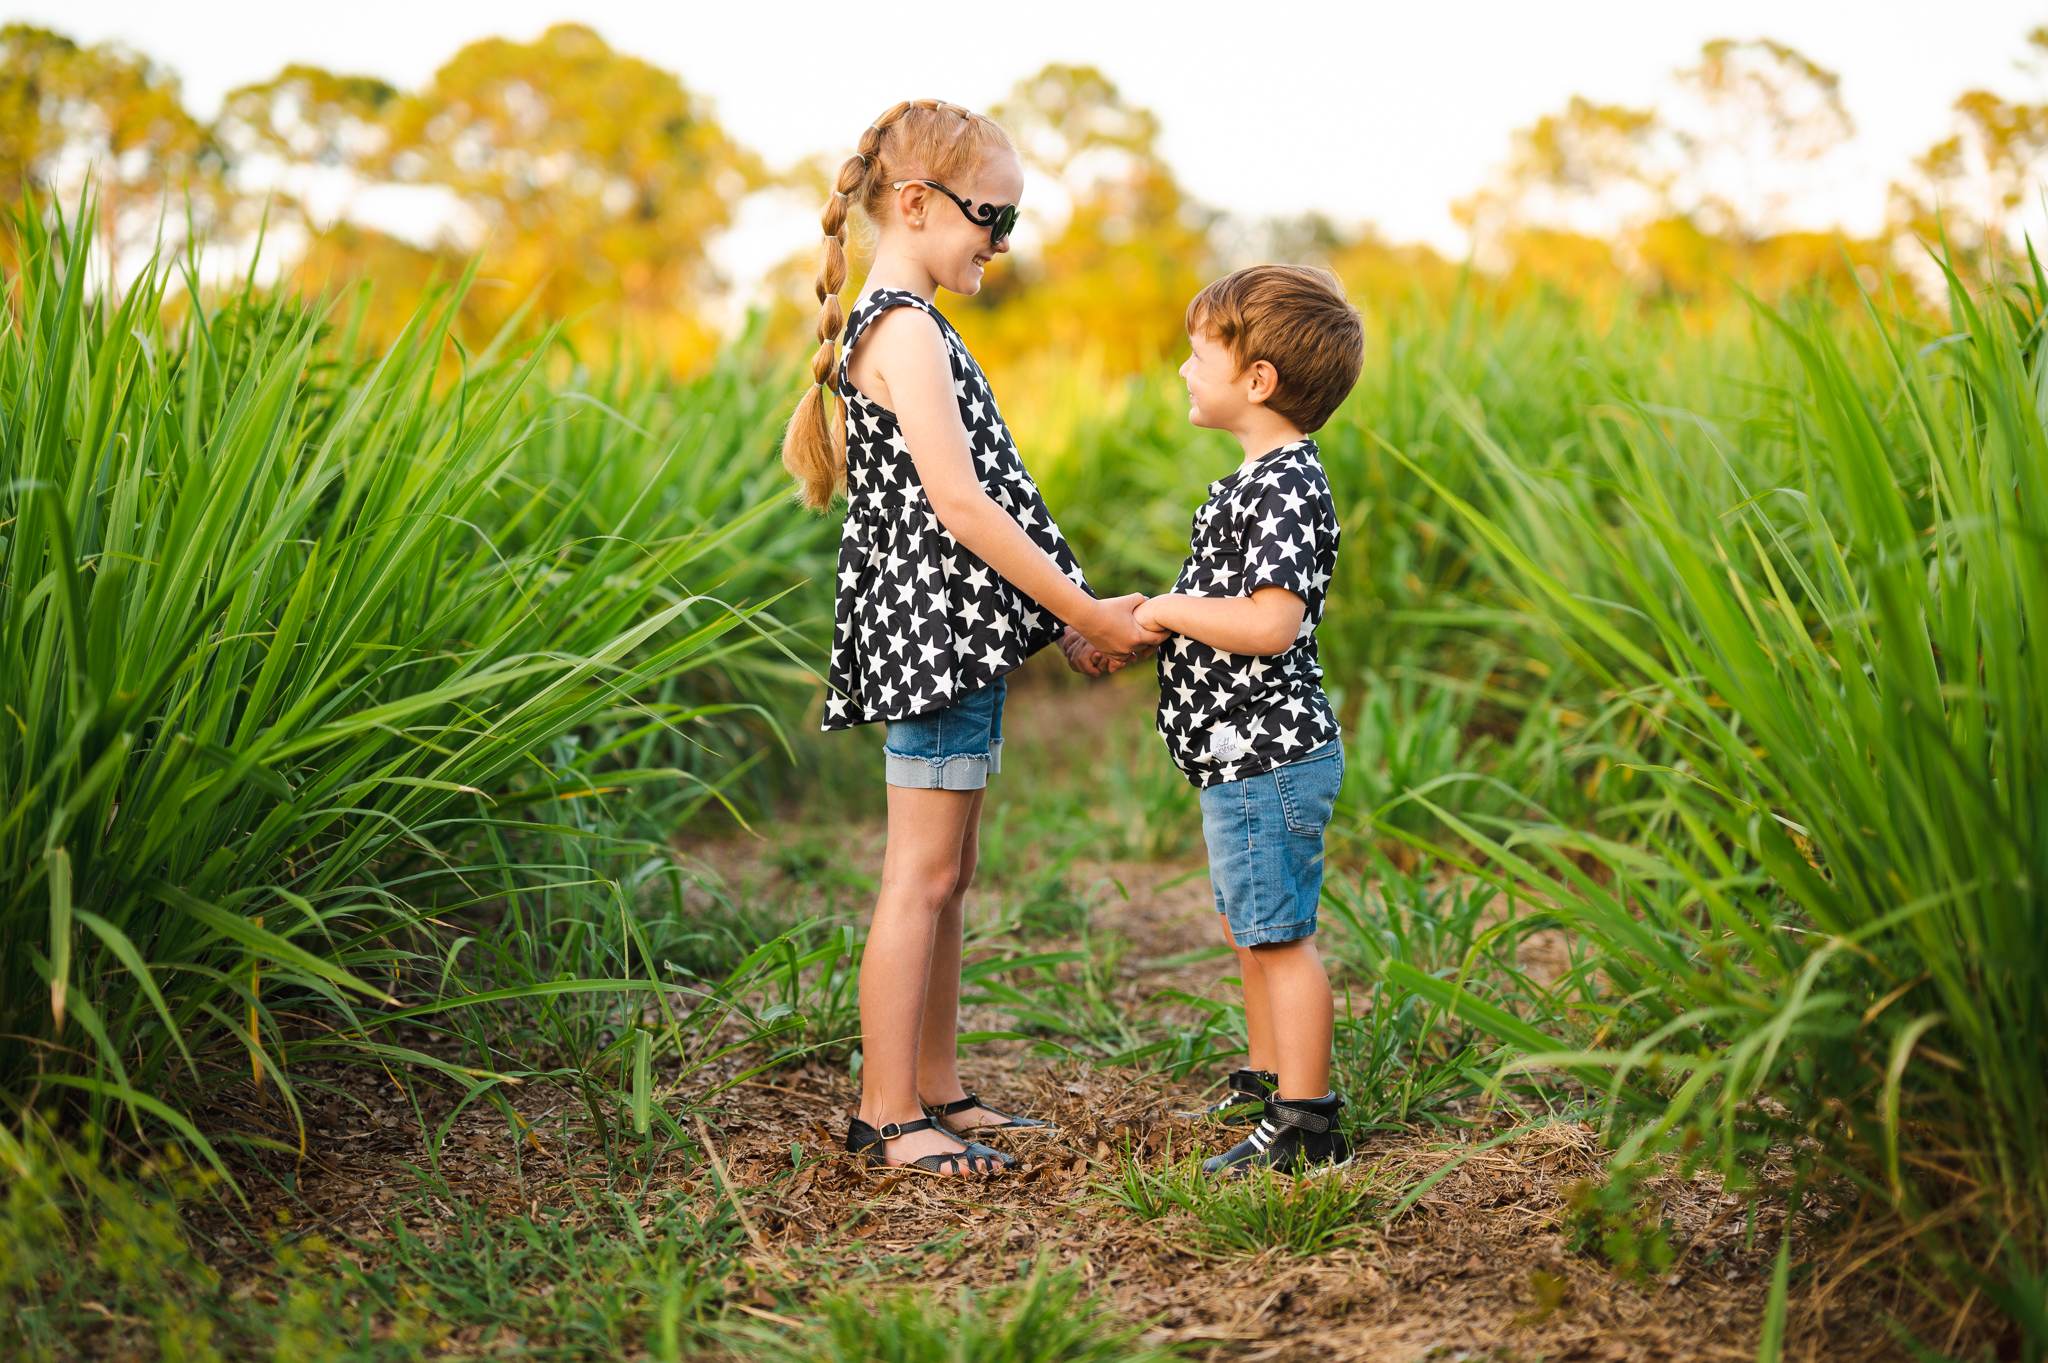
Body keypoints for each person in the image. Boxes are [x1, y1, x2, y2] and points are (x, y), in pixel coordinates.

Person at [782, 99, 1165, 1178]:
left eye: (1009, 221)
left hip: (954, 641)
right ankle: (886, 1112)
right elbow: (962, 508)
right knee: (919, 875)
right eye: (989, 216)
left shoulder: (913, 324)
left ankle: (938, 1086)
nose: (999, 241)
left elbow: (1001, 493)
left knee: (949, 873)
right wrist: (1086, 615)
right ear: (915, 204)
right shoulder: (902, 329)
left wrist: (1065, 614)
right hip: (933, 644)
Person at [1078, 264, 1363, 1175]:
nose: (1181, 369)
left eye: (1197, 353)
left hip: (1267, 758)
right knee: (1253, 927)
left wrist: (1162, 611)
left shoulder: (1283, 486)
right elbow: (1224, 606)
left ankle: (1307, 1121)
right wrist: (1151, 620)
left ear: (1258, 380)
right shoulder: (1256, 478)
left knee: (1281, 938)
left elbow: (1270, 624)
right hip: (1236, 758)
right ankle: (1271, 1075)